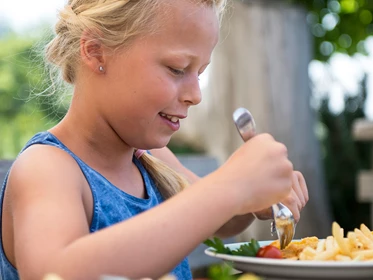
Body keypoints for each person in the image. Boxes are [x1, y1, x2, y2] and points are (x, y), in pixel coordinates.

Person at [0, 0, 309, 279]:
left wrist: (252, 196)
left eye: (199, 73)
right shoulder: (47, 169)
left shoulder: (150, 158)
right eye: (177, 69)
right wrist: (231, 186)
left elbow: (217, 221)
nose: (195, 95)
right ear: (95, 50)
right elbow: (56, 271)